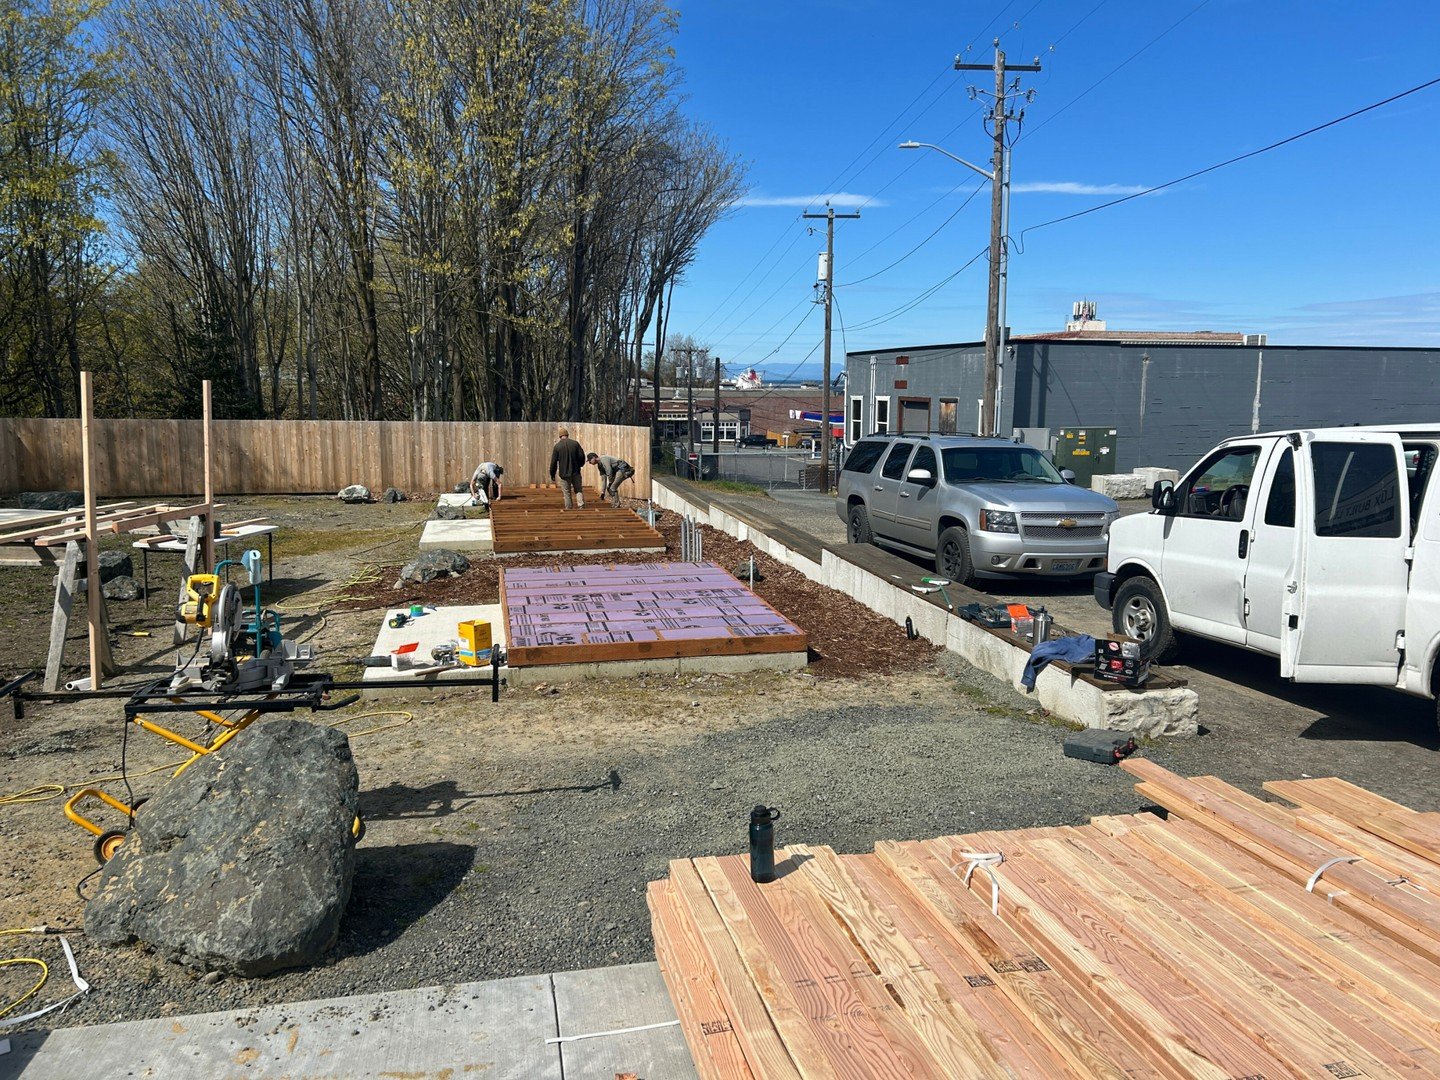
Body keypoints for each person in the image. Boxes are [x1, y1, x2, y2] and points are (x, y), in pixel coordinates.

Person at [549, 427, 586, 509]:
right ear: (567, 435)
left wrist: (552, 474)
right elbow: (582, 456)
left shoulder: (557, 447)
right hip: (576, 472)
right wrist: (580, 465)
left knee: (567, 492)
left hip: (564, 474)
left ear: (560, 436)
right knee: (578, 490)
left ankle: (569, 509)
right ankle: (581, 505)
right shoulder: (575, 444)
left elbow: (553, 462)